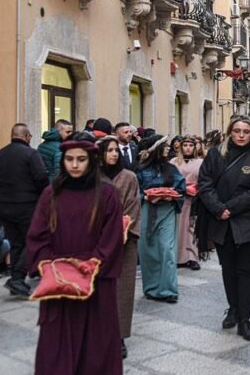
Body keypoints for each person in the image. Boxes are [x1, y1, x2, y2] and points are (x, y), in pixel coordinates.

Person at [26, 132, 124, 374]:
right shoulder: (51, 194)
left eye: (81, 159)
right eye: (70, 159)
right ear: (63, 161)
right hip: (59, 282)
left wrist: (92, 265)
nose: (75, 165)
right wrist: (52, 267)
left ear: (91, 161)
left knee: (96, 343)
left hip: (95, 282)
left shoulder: (108, 194)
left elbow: (112, 237)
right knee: (56, 345)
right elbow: (38, 234)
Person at [198, 116, 250, 341]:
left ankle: (244, 319)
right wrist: (218, 208)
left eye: (246, 131)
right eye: (237, 131)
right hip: (222, 221)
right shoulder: (215, 155)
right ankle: (233, 308)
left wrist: (230, 207)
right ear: (230, 132)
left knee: (248, 272)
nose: (241, 135)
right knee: (228, 270)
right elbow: (205, 183)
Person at [0, 123, 49, 296]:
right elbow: (42, 177)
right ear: (27, 136)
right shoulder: (31, 154)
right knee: (34, 240)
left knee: (17, 243)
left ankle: (16, 279)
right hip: (27, 206)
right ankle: (18, 278)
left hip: (4, 206)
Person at [97, 136, 141, 359]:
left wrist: (121, 231)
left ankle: (120, 336)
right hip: (97, 244)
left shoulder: (129, 177)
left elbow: (133, 206)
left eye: (116, 150)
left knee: (123, 291)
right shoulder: (93, 178)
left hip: (125, 243)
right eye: (109, 150)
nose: (114, 154)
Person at [136, 134, 186, 303]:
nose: (167, 148)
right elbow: (134, 191)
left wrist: (171, 196)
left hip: (167, 211)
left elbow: (181, 187)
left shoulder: (171, 169)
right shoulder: (141, 170)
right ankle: (151, 288)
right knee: (147, 249)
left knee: (167, 249)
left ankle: (168, 290)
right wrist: (147, 196)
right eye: (164, 146)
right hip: (147, 210)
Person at [170, 136, 203, 270]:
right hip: (177, 198)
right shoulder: (173, 162)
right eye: (185, 145)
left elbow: (205, 179)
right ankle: (177, 257)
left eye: (190, 145)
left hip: (194, 199)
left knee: (192, 228)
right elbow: (169, 179)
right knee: (177, 228)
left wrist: (198, 189)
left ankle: (191, 257)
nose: (188, 148)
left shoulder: (201, 162)